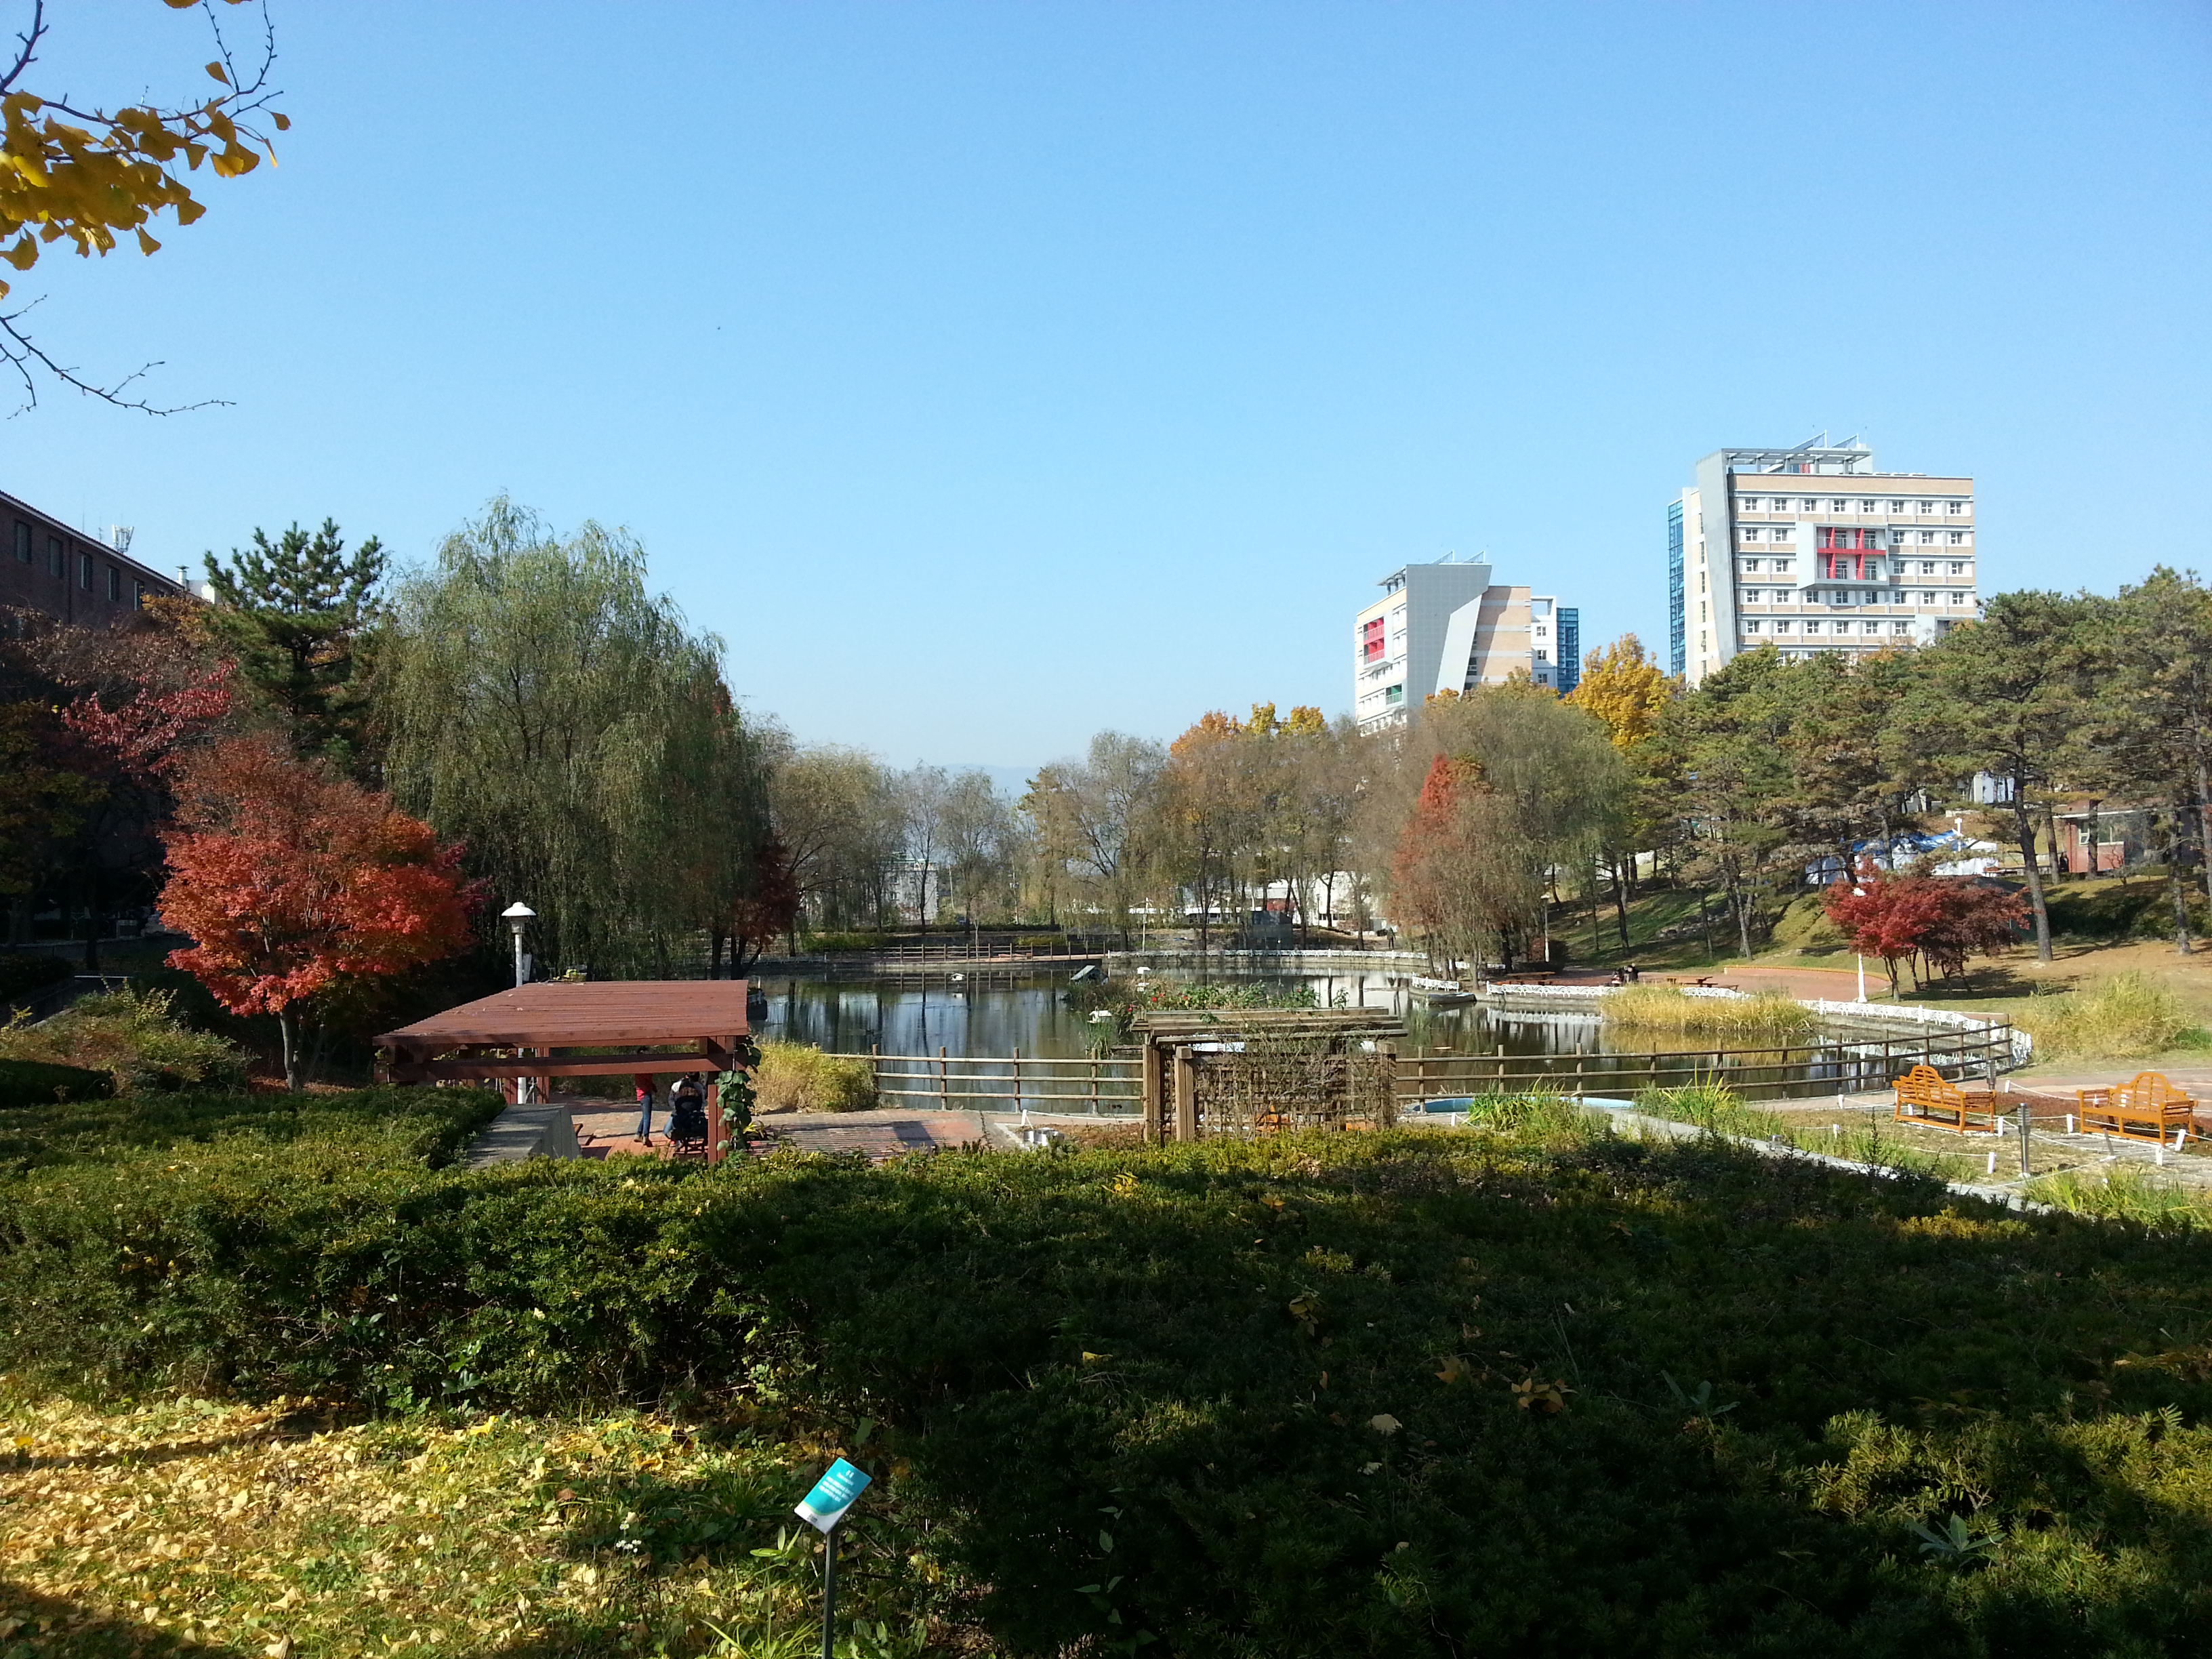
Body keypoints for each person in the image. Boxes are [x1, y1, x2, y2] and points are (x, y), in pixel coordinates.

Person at [632, 1073, 657, 1145]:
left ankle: (638, 1134)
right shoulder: (644, 1073)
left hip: (640, 1095)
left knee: (645, 1115)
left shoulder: (637, 1074)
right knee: (647, 1116)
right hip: (646, 1094)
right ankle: (646, 1136)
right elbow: (649, 1078)